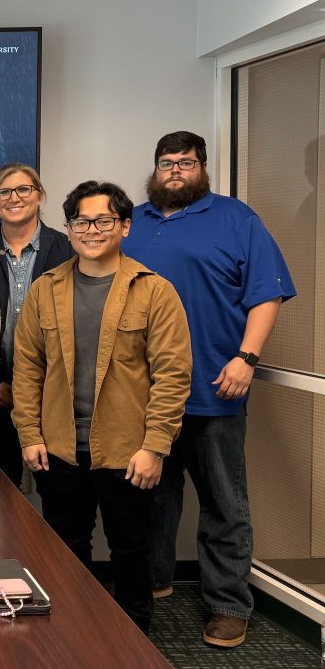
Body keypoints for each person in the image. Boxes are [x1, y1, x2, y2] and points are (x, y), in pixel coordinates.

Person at [122, 131, 295, 648]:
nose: (176, 170)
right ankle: (153, 581)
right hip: (146, 394)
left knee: (224, 502)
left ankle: (227, 604)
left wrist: (247, 358)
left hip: (215, 388)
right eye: (167, 162)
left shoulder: (236, 219)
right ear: (155, 168)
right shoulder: (131, 221)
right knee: (151, 497)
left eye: (187, 162)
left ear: (203, 168)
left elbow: (267, 293)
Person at [12, 180, 191, 634]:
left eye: (104, 220)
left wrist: (155, 447)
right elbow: (28, 369)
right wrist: (29, 435)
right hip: (59, 449)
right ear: (68, 229)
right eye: (81, 221)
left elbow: (172, 377)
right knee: (65, 550)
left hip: (127, 451)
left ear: (125, 226)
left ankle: (134, 641)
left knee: (131, 551)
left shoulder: (155, 292)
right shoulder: (44, 290)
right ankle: (71, 637)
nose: (91, 230)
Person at [0, 163, 73, 486]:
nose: (14, 198)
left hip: (53, 397)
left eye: (24, 189)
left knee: (59, 505)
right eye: (4, 191)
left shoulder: (69, 250)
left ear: (39, 195)